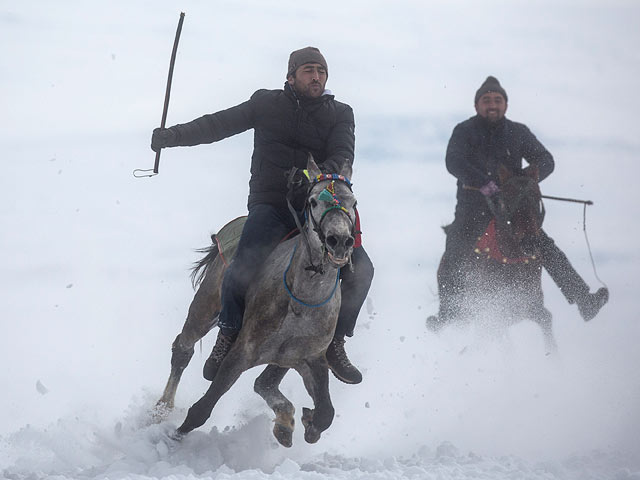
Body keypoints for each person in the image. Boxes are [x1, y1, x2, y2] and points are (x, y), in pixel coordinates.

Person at [151, 47, 374, 385]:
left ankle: (336, 343)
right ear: (291, 76)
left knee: (364, 269)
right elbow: (218, 124)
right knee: (243, 265)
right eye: (309, 70)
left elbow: (342, 154)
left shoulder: (341, 113)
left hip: (322, 207)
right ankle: (227, 333)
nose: (316, 77)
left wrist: (314, 177)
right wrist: (173, 136)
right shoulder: (266, 103)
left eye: (321, 71)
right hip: (271, 204)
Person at [434, 75, 608, 324]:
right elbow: (454, 161)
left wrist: (526, 181)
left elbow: (546, 160)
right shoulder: (464, 131)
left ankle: (583, 300)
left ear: (506, 105)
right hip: (472, 210)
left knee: (545, 246)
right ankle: (448, 315)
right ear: (476, 106)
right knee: (454, 251)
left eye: (497, 100)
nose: (492, 104)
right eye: (486, 100)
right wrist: (484, 182)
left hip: (511, 213)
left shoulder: (518, 132)